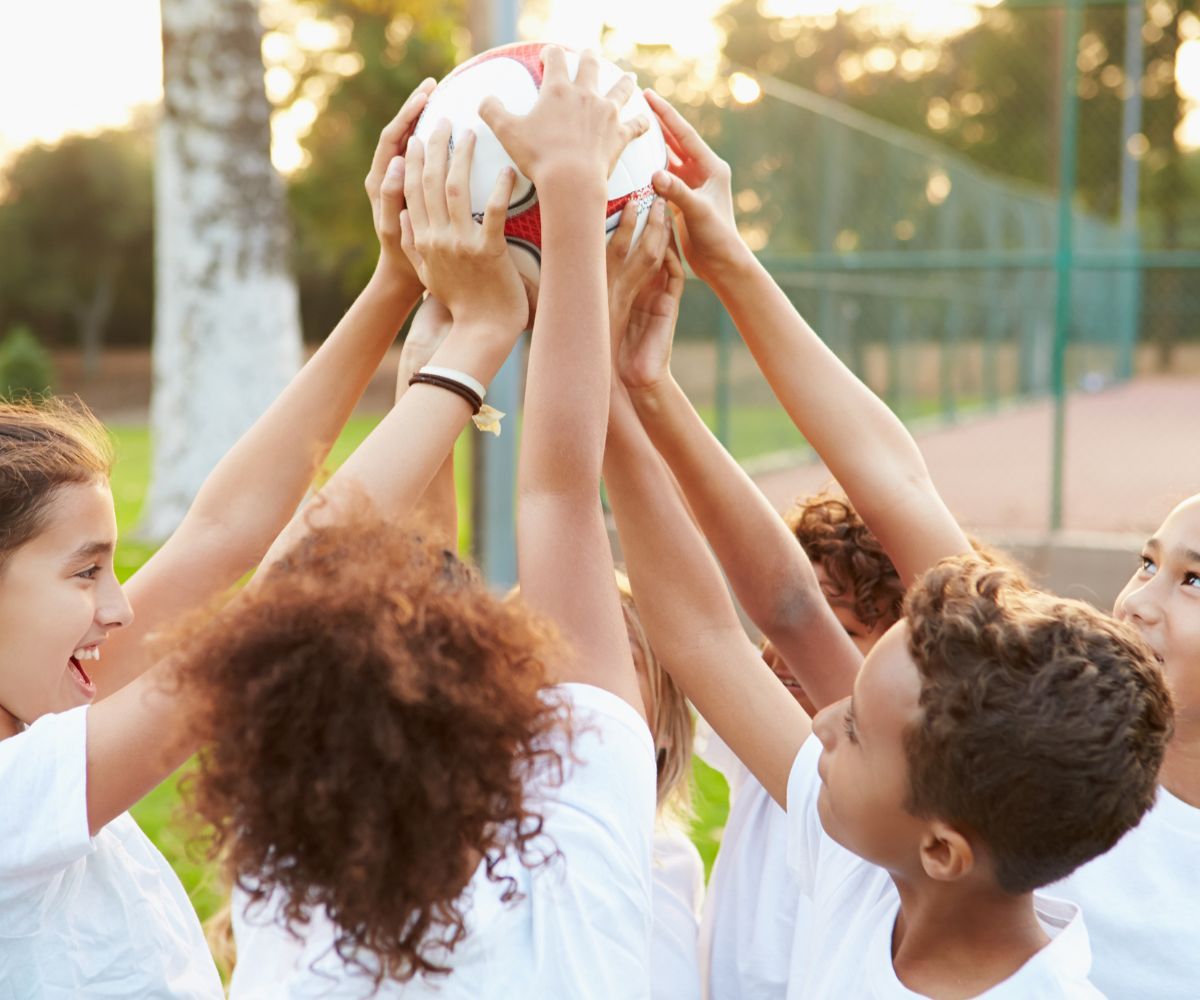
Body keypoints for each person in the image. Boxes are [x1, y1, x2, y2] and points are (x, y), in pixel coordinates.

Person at [646, 83, 1200, 1000]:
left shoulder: (1030, 769)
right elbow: (888, 479)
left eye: (1195, 581)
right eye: (1150, 560)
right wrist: (729, 262)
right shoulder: (1029, 716)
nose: (1139, 596)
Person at [183, 47, 660, 998]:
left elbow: (303, 583)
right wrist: (568, 203)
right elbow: (560, 499)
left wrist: (441, 308)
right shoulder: (575, 852)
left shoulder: (290, 893)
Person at [0, 80, 440, 997]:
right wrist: (466, 359)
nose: (118, 607)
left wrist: (394, 280)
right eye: (85, 572)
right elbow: (263, 629)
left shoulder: (38, 718)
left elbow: (224, 532)